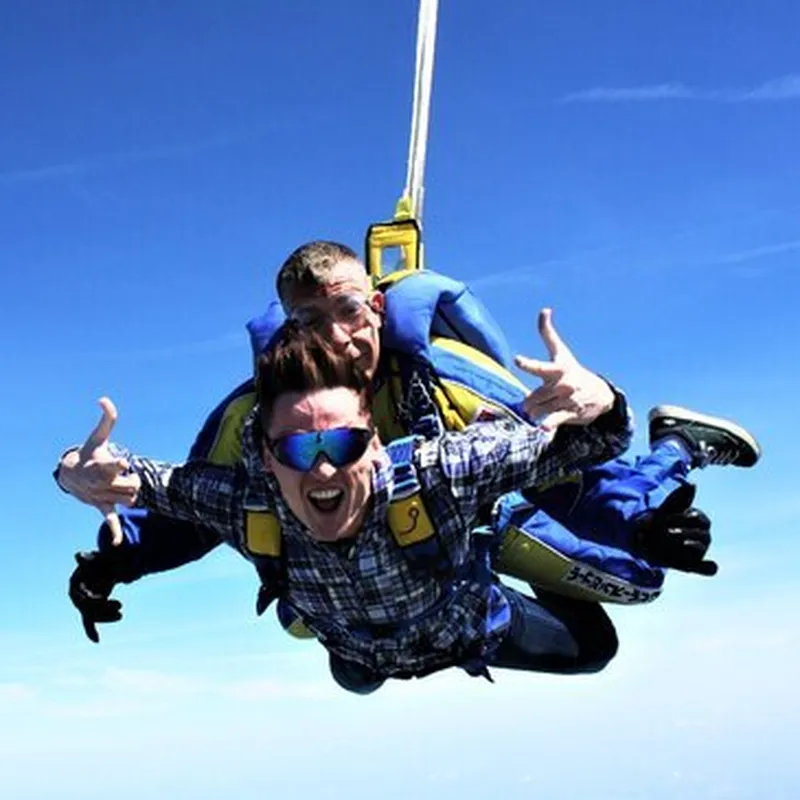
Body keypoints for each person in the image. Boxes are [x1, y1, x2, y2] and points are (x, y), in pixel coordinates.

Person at [65, 241, 760, 643]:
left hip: (483, 523)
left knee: (631, 582)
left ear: (375, 307)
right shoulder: (256, 418)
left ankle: (680, 448)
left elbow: (556, 469)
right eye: (310, 319)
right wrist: (114, 560)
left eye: (348, 310)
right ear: (289, 329)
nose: (336, 336)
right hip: (359, 586)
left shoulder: (449, 384)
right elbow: (208, 509)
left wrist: (638, 521)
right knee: (317, 634)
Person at [59, 320, 636, 692]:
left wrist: (600, 398)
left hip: (465, 628)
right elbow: (138, 478)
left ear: (376, 440)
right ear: (265, 456)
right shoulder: (247, 503)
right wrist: (72, 472)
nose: (323, 468)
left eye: (341, 443)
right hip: (360, 648)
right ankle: (361, 655)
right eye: (296, 448)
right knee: (354, 677)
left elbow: (593, 441)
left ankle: (514, 543)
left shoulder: (438, 472)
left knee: (596, 650)